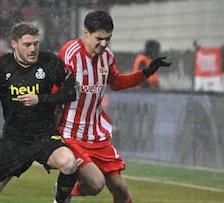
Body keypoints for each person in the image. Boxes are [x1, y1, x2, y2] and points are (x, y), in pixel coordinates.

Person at [55, 11, 171, 203]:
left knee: (121, 190)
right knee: (96, 184)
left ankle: (67, 188)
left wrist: (146, 72)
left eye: (107, 39)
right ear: (86, 33)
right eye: (99, 38)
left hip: (97, 135)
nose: (103, 44)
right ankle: (66, 189)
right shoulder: (70, 53)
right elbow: (54, 90)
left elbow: (116, 82)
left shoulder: (107, 57)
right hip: (71, 133)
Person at [0, 22, 77, 203]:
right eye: (27, 45)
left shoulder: (50, 61)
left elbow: (70, 92)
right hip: (14, 139)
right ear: (14, 44)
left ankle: (60, 201)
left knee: (69, 163)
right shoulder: (2, 64)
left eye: (36, 44)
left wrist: (40, 99)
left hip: (44, 135)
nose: (33, 49)